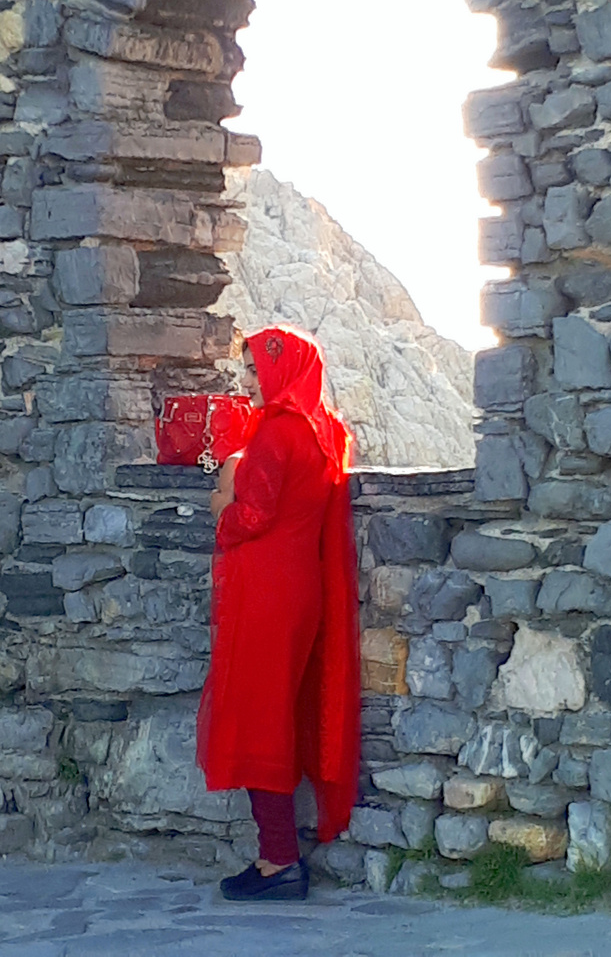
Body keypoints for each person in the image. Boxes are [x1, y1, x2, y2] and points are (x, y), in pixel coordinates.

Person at [197, 324, 361, 902]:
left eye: (253, 370)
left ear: (280, 369)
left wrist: (221, 507)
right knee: (277, 714)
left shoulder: (277, 435)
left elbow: (254, 515)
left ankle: (278, 861)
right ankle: (278, 855)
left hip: (267, 592)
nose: (247, 382)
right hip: (301, 589)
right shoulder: (324, 433)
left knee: (257, 718)